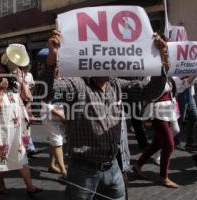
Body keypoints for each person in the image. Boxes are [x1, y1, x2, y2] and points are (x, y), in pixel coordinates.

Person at [38, 30, 168, 200]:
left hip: (113, 168)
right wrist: (52, 59)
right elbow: (43, 93)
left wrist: (160, 60)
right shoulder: (78, 85)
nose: (107, 63)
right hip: (83, 172)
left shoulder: (116, 85)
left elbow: (150, 92)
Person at [132, 75, 197, 188]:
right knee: (168, 145)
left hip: (168, 112)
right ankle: (164, 177)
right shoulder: (151, 77)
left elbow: (184, 84)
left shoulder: (171, 78)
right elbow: (147, 93)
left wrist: (195, 72)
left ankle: (138, 165)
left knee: (157, 144)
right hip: (157, 112)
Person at [0, 63, 42, 196]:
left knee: (22, 157)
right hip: (1, 131)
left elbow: (28, 97)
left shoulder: (15, 87)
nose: (1, 75)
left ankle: (30, 186)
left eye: (3, 72)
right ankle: (1, 183)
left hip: (17, 130)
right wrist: (1, 91)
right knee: (0, 158)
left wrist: (21, 82)